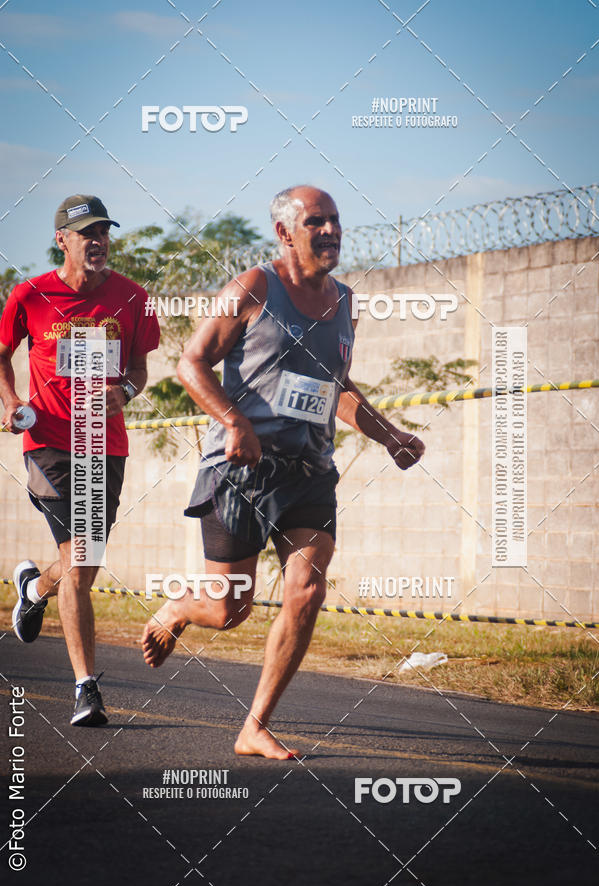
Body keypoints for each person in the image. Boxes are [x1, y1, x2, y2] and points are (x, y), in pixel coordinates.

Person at [142, 185, 424, 759]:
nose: (330, 231)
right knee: (228, 609)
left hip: (310, 472)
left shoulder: (345, 301)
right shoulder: (254, 287)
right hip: (242, 471)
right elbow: (189, 360)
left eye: (336, 220)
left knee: (307, 588)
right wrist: (235, 422)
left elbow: (336, 390)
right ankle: (179, 608)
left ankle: (255, 726)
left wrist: (389, 433)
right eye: (316, 221)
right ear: (284, 232)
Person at [0, 194, 160, 726]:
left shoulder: (133, 298)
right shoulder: (31, 294)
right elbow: (1, 353)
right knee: (82, 556)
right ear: (61, 240)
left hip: (104, 443)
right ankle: (86, 689)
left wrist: (127, 393)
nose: (97, 241)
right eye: (85, 232)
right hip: (46, 440)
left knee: (81, 564)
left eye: (103, 232)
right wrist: (11, 401)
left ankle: (33, 588)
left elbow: (139, 367)